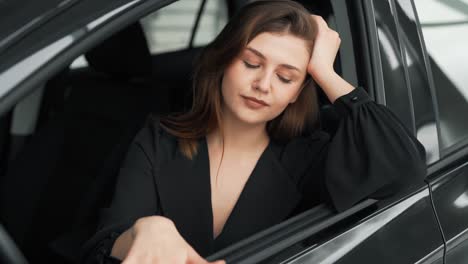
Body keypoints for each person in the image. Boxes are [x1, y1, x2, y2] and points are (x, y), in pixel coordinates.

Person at [81, 0, 426, 263]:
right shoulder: (161, 140)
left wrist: (325, 72)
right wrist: (145, 231)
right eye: (251, 63)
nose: (263, 84)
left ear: (297, 93)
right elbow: (102, 244)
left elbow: (405, 171)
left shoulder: (311, 157)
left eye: (286, 77)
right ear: (222, 63)